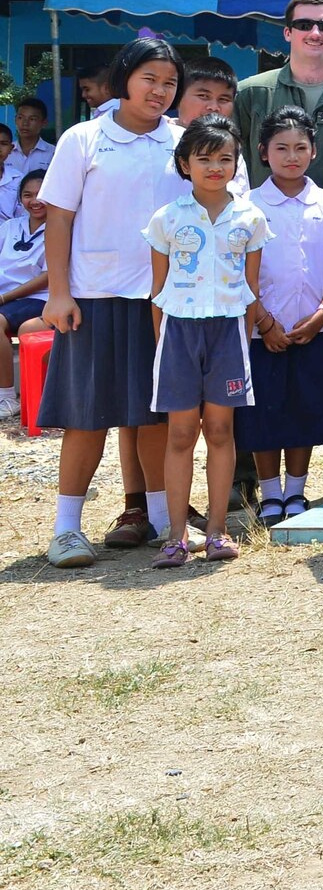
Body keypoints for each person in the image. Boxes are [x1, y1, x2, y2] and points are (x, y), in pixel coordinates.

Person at [39, 38, 189, 569]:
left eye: (169, 82)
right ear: (124, 79)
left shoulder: (184, 142)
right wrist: (59, 293)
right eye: (149, 78)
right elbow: (58, 217)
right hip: (94, 296)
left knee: (155, 416)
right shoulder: (83, 139)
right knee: (87, 416)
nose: (160, 90)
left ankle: (162, 521)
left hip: (165, 300)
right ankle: (65, 529)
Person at [142, 116, 271, 568]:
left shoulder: (250, 217)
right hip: (179, 331)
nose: (215, 167)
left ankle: (217, 532)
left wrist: (252, 331)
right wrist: (163, 339)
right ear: (184, 164)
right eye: (204, 159)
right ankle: (176, 537)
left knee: (220, 430)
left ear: (237, 164)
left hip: (229, 334)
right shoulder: (167, 219)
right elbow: (157, 291)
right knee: (180, 433)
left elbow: (251, 290)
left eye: (225, 159)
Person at [237, 108, 323, 524]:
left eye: (301, 147)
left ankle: (295, 491)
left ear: (314, 150)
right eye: (281, 148)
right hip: (259, 331)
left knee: (304, 409)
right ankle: (270, 494)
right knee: (264, 411)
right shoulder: (246, 205)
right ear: (263, 153)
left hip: (314, 330)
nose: (292, 156)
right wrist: (264, 322)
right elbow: (238, 271)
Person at [233, 0, 323, 190]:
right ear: (288, 33)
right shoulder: (251, 93)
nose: (315, 33)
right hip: (263, 218)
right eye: (304, 25)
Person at [0, 169, 50, 420]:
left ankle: (7, 397)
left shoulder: (60, 228)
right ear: (20, 199)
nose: (35, 200)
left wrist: (4, 298)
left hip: (38, 298)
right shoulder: (10, 227)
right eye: (28, 195)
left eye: (41, 193)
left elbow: (47, 276)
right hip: (5, 298)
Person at [0, 97, 54, 214]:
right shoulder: (5, 151)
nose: (25, 123)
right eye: (20, 118)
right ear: (15, 120)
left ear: (44, 122)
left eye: (32, 119)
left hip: (40, 212)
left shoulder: (53, 153)